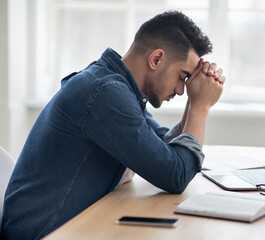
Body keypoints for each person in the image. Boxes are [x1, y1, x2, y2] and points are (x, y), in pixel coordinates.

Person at [0, 10, 225, 240]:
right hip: (43, 234)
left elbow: (163, 147)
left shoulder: (115, 87)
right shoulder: (104, 94)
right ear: (156, 59)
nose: (181, 90)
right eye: (182, 76)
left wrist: (194, 102)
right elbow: (175, 175)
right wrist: (200, 106)